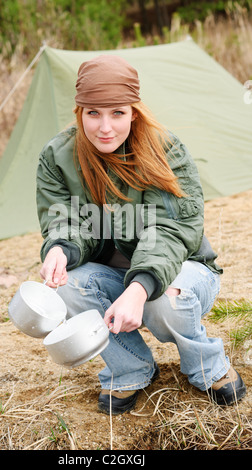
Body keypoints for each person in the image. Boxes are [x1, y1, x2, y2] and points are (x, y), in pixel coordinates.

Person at [36, 55, 246, 415]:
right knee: (67, 283)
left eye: (117, 113)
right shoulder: (57, 157)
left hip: (185, 269)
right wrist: (59, 249)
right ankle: (129, 368)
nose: (105, 127)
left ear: (133, 111)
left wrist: (140, 287)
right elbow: (66, 221)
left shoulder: (167, 151)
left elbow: (170, 229)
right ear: (79, 111)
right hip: (112, 276)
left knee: (163, 299)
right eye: (93, 113)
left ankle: (206, 366)